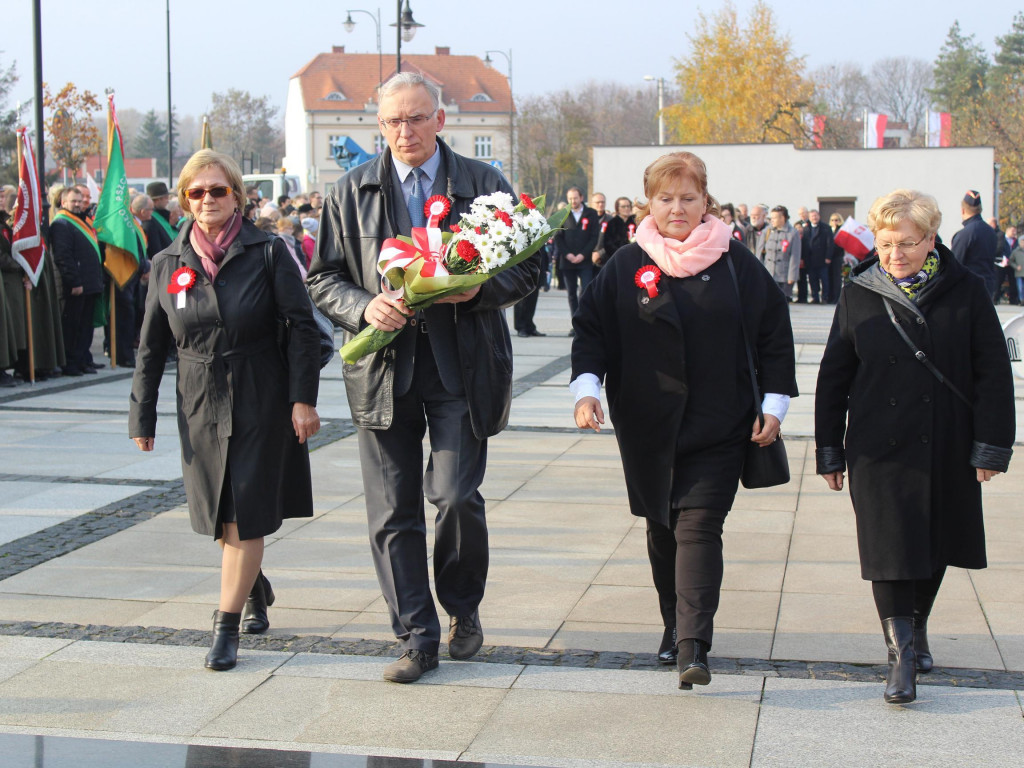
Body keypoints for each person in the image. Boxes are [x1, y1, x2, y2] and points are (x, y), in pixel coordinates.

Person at [307, 72, 539, 684]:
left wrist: (478, 289)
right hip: (383, 371)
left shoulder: (483, 183)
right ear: (378, 126)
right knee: (392, 511)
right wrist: (363, 308)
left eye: (415, 118)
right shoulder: (350, 190)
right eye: (391, 122)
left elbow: (530, 265)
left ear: (440, 119)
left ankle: (463, 607)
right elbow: (322, 278)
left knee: (457, 495)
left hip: (461, 369)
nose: (404, 132)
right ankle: (416, 634)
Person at [571, 152, 797, 690]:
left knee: (699, 529)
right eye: (666, 198)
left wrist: (775, 402)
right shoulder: (626, 264)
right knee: (662, 531)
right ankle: (674, 624)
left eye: (688, 198)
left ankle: (694, 644)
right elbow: (591, 332)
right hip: (648, 428)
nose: (677, 208)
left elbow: (773, 331)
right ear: (649, 202)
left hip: (721, 422)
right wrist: (587, 390)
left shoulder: (736, 261)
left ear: (705, 202)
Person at [815, 189, 1015, 704]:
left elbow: (992, 371)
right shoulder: (859, 290)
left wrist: (991, 445)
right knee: (889, 548)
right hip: (876, 445)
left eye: (905, 243)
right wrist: (828, 450)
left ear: (931, 238)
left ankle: (918, 624)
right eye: (885, 244)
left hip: (947, 437)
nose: (894, 255)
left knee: (936, 539)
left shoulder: (965, 289)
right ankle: (900, 653)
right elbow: (834, 376)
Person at [129, 149, 322, 671]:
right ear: (185, 199)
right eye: (196, 192)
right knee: (221, 514)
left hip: (261, 393)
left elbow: (303, 328)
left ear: (235, 193)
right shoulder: (167, 262)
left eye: (217, 190)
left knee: (245, 514)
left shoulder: (268, 251)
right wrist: (140, 416)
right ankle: (255, 586)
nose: (207, 200)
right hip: (198, 400)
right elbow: (151, 347)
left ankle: (225, 627)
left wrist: (303, 399)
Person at [51, 186, 104, 376]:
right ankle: (70, 363)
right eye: (73, 201)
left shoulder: (81, 222)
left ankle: (81, 360)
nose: (77, 205)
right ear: (63, 202)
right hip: (76, 286)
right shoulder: (61, 224)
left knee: (85, 327)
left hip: (89, 284)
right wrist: (74, 282)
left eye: (80, 201)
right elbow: (63, 256)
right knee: (73, 327)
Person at [553, 186, 600, 331]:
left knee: (585, 291)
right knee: (571, 294)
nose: (573, 201)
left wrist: (583, 254)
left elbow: (594, 237)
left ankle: (585, 323)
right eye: (570, 198)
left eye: (575, 198)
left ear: (581, 198)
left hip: (584, 261)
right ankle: (575, 324)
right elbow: (558, 237)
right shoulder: (563, 214)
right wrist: (567, 254)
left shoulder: (591, 213)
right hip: (567, 261)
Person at [950, 190, 999, 299]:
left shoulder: (964, 234)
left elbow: (954, 266)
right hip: (988, 286)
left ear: (963, 210)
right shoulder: (991, 232)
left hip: (968, 289)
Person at [755, 205, 801, 300]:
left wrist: (792, 276)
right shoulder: (767, 231)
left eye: (774, 218)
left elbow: (795, 257)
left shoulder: (792, 233)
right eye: (771, 218)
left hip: (784, 276)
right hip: (769, 273)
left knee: (783, 302)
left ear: (782, 218)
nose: (772, 220)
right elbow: (759, 253)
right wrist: (758, 272)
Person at [801, 209, 833, 304]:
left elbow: (830, 244)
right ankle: (815, 297)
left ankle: (825, 298)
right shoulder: (806, 229)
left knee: (824, 280)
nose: (814, 218)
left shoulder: (826, 228)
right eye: (812, 216)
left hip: (822, 259)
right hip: (810, 260)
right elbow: (804, 245)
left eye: (815, 216)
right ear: (809, 218)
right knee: (812, 280)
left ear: (819, 216)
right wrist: (803, 258)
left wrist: (828, 257)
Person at [601, 197, 636, 262]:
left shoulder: (635, 222)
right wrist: (620, 254)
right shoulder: (611, 223)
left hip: (633, 257)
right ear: (617, 208)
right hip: (616, 258)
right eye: (623, 206)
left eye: (628, 206)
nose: (626, 208)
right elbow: (608, 243)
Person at [993, 225, 1019, 305]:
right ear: (1007, 231)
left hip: (1012, 264)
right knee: (998, 281)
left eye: (1015, 231)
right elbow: (998, 249)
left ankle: (1013, 300)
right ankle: (995, 299)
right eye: (1013, 231)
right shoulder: (1001, 239)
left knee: (1013, 282)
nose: (1014, 232)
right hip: (1001, 264)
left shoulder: (1016, 241)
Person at [590, 191, 613, 272]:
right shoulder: (586, 219)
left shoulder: (611, 220)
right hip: (587, 262)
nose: (600, 204)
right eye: (597, 202)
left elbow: (614, 242)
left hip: (605, 261)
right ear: (592, 203)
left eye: (602, 202)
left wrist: (600, 253)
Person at [826, 212, 846, 302]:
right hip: (829, 257)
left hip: (838, 257)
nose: (834, 222)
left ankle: (836, 297)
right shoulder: (829, 229)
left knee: (836, 278)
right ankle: (830, 297)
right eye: (833, 220)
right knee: (829, 277)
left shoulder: (842, 230)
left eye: (836, 220)